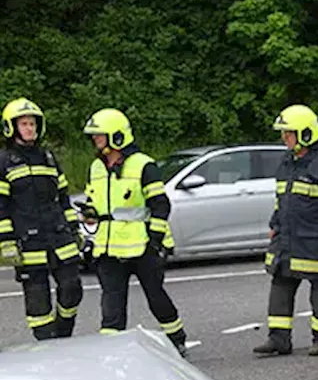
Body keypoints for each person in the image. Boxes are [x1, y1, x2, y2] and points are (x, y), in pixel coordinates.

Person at [81, 108, 189, 355]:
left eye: (100, 135)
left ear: (117, 136)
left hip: (141, 246)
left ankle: (176, 337)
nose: (95, 140)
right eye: (94, 136)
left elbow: (160, 205)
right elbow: (94, 203)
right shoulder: (96, 167)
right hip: (108, 247)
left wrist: (155, 240)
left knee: (155, 296)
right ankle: (112, 347)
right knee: (111, 301)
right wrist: (88, 219)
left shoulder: (144, 165)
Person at [253, 104, 318, 357]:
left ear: (306, 133)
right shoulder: (287, 163)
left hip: (315, 240)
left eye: (289, 133)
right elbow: (281, 200)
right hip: (287, 240)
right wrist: (275, 226)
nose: (284, 138)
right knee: (281, 283)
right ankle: (278, 339)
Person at [0, 98, 83, 340]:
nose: (30, 128)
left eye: (33, 123)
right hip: (28, 242)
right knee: (38, 304)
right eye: (24, 124)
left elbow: (64, 198)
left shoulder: (48, 158)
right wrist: (6, 241)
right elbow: (1, 206)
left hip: (59, 236)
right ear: (11, 127)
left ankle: (63, 333)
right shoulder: (3, 162)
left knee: (72, 288)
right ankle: (48, 345)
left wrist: (74, 228)